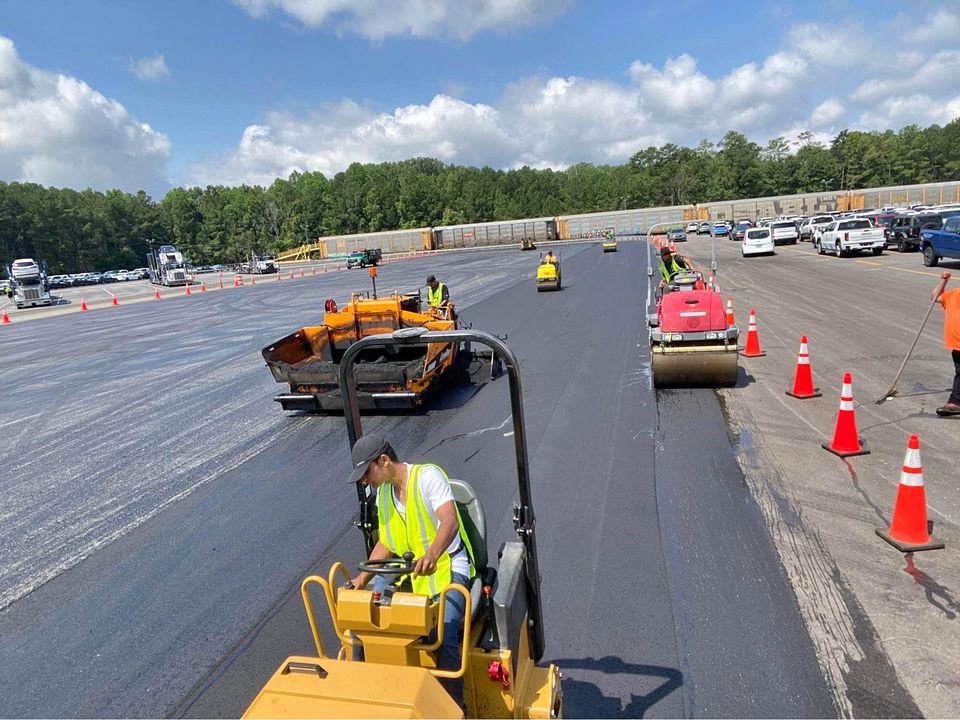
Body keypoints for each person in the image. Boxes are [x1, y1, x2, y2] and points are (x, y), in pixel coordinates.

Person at [347, 433, 473, 687]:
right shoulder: (383, 494)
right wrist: (361, 579)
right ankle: (367, 694)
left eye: (366, 474)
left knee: (441, 635)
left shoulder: (428, 477)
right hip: (406, 574)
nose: (365, 481)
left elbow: (450, 521)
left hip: (447, 568)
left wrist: (433, 553)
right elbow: (385, 542)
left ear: (383, 461)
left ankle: (456, 707)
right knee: (362, 625)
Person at [932, 271, 960, 416]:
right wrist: (944, 280)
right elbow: (935, 297)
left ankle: (955, 403)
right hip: (957, 345)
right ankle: (955, 403)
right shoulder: (954, 294)